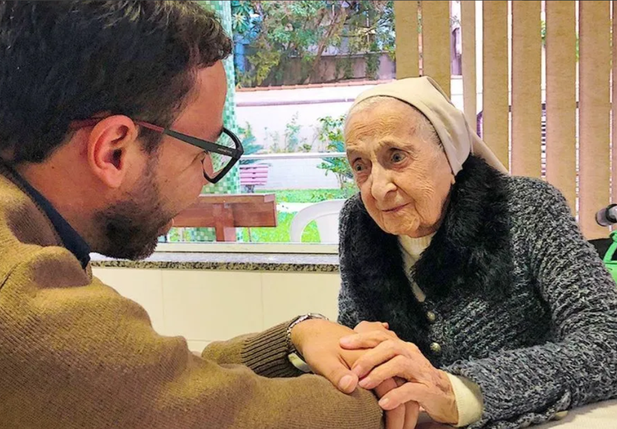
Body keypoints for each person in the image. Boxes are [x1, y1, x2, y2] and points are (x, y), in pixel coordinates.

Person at [0, 2, 397, 428]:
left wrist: (294, 337)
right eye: (203, 152)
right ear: (113, 149)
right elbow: (202, 412)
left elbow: (153, 379)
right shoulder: (26, 294)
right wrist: (391, 394)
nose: (207, 177)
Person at [336, 77, 617, 428]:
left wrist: (463, 391)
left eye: (396, 157)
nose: (377, 187)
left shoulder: (527, 209)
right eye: (360, 165)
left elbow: (608, 340)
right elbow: (351, 332)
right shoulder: (357, 223)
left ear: (451, 155)